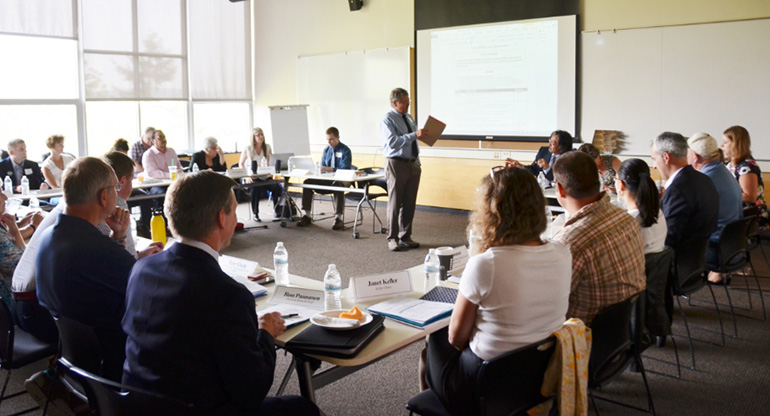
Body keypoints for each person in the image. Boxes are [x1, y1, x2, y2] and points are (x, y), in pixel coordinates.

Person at [122, 171, 319, 416]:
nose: (236, 217)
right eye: (234, 210)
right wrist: (265, 334)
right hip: (197, 409)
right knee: (304, 409)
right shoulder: (227, 295)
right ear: (221, 218)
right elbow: (252, 390)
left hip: (136, 404)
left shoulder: (141, 269)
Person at [423, 166, 571, 415]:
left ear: (491, 212)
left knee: (433, 340)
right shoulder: (562, 253)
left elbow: (456, 339)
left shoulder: (485, 264)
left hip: (483, 385)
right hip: (539, 378)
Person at [36, 157, 136, 382]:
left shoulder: (48, 237)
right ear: (104, 196)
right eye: (115, 188)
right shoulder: (98, 251)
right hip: (113, 358)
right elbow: (142, 286)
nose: (117, 193)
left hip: (75, 356)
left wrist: (118, 237)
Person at [552, 151, 646, 325]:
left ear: (560, 189)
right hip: (623, 333)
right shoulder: (625, 219)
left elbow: (549, 303)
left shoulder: (570, 242)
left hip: (582, 338)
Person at [687, 133, 743, 283]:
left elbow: (689, 218)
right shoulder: (722, 171)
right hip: (733, 246)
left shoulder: (705, 180)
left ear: (695, 157)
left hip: (717, 249)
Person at [651, 132, 719, 252]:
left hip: (679, 260)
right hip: (698, 258)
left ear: (666, 157)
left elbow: (668, 238)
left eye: (654, 159)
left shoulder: (678, 190)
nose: (654, 166)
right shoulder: (704, 179)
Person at [381, 87, 427, 252]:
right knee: (395, 202)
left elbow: (413, 139)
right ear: (395, 103)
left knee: (409, 202)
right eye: (405, 103)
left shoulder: (408, 117)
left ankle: (405, 236)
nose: (408, 105)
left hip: (413, 163)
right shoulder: (388, 119)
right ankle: (392, 238)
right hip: (397, 164)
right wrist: (415, 135)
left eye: (409, 102)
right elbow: (392, 142)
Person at [98, 152, 164, 259]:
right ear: (122, 181)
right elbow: (126, 261)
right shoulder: (117, 203)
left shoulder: (89, 201)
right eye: (131, 179)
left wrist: (139, 254)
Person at [296, 127, 352, 230]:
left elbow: (346, 168)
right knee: (307, 183)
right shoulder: (326, 150)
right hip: (327, 178)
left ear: (338, 138)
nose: (329, 142)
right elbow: (323, 165)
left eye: (331, 139)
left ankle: (338, 218)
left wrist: (331, 169)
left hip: (342, 179)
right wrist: (321, 169)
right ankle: (307, 215)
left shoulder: (345, 150)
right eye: (327, 140)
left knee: (337, 185)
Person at [615, 158, 667, 254]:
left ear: (621, 184)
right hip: (658, 268)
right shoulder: (659, 214)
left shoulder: (626, 224)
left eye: (615, 179)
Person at [722, 125, 768, 226]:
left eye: (725, 142)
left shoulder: (747, 166)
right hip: (735, 215)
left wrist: (722, 195)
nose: (722, 145)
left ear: (736, 144)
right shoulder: (728, 164)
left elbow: (750, 197)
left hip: (748, 219)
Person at [239, 127, 283, 222]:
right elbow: (241, 164)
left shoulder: (267, 147)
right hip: (253, 176)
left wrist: (267, 166)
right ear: (253, 137)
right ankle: (256, 213)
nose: (261, 136)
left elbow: (270, 162)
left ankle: (277, 210)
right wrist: (246, 176)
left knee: (277, 187)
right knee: (255, 188)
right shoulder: (248, 148)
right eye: (258, 135)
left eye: (262, 134)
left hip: (265, 176)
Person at [505, 130, 573, 182]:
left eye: (553, 143)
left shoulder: (568, 158)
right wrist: (521, 166)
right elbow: (533, 170)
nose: (549, 145)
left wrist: (547, 168)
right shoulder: (543, 151)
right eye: (549, 141)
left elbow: (560, 180)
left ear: (562, 147)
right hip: (541, 192)